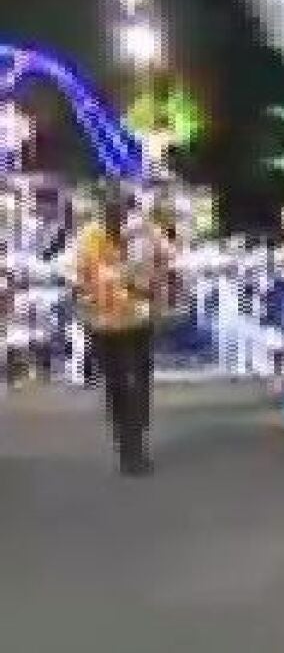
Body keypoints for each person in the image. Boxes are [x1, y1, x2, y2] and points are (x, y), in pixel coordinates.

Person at [73, 184, 170, 476]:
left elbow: (162, 269)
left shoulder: (146, 235)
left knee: (136, 383)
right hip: (103, 324)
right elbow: (80, 278)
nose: (115, 216)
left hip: (137, 322)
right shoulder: (89, 237)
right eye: (109, 210)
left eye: (120, 210)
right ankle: (126, 444)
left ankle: (135, 443)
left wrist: (152, 294)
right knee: (116, 384)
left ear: (129, 210)